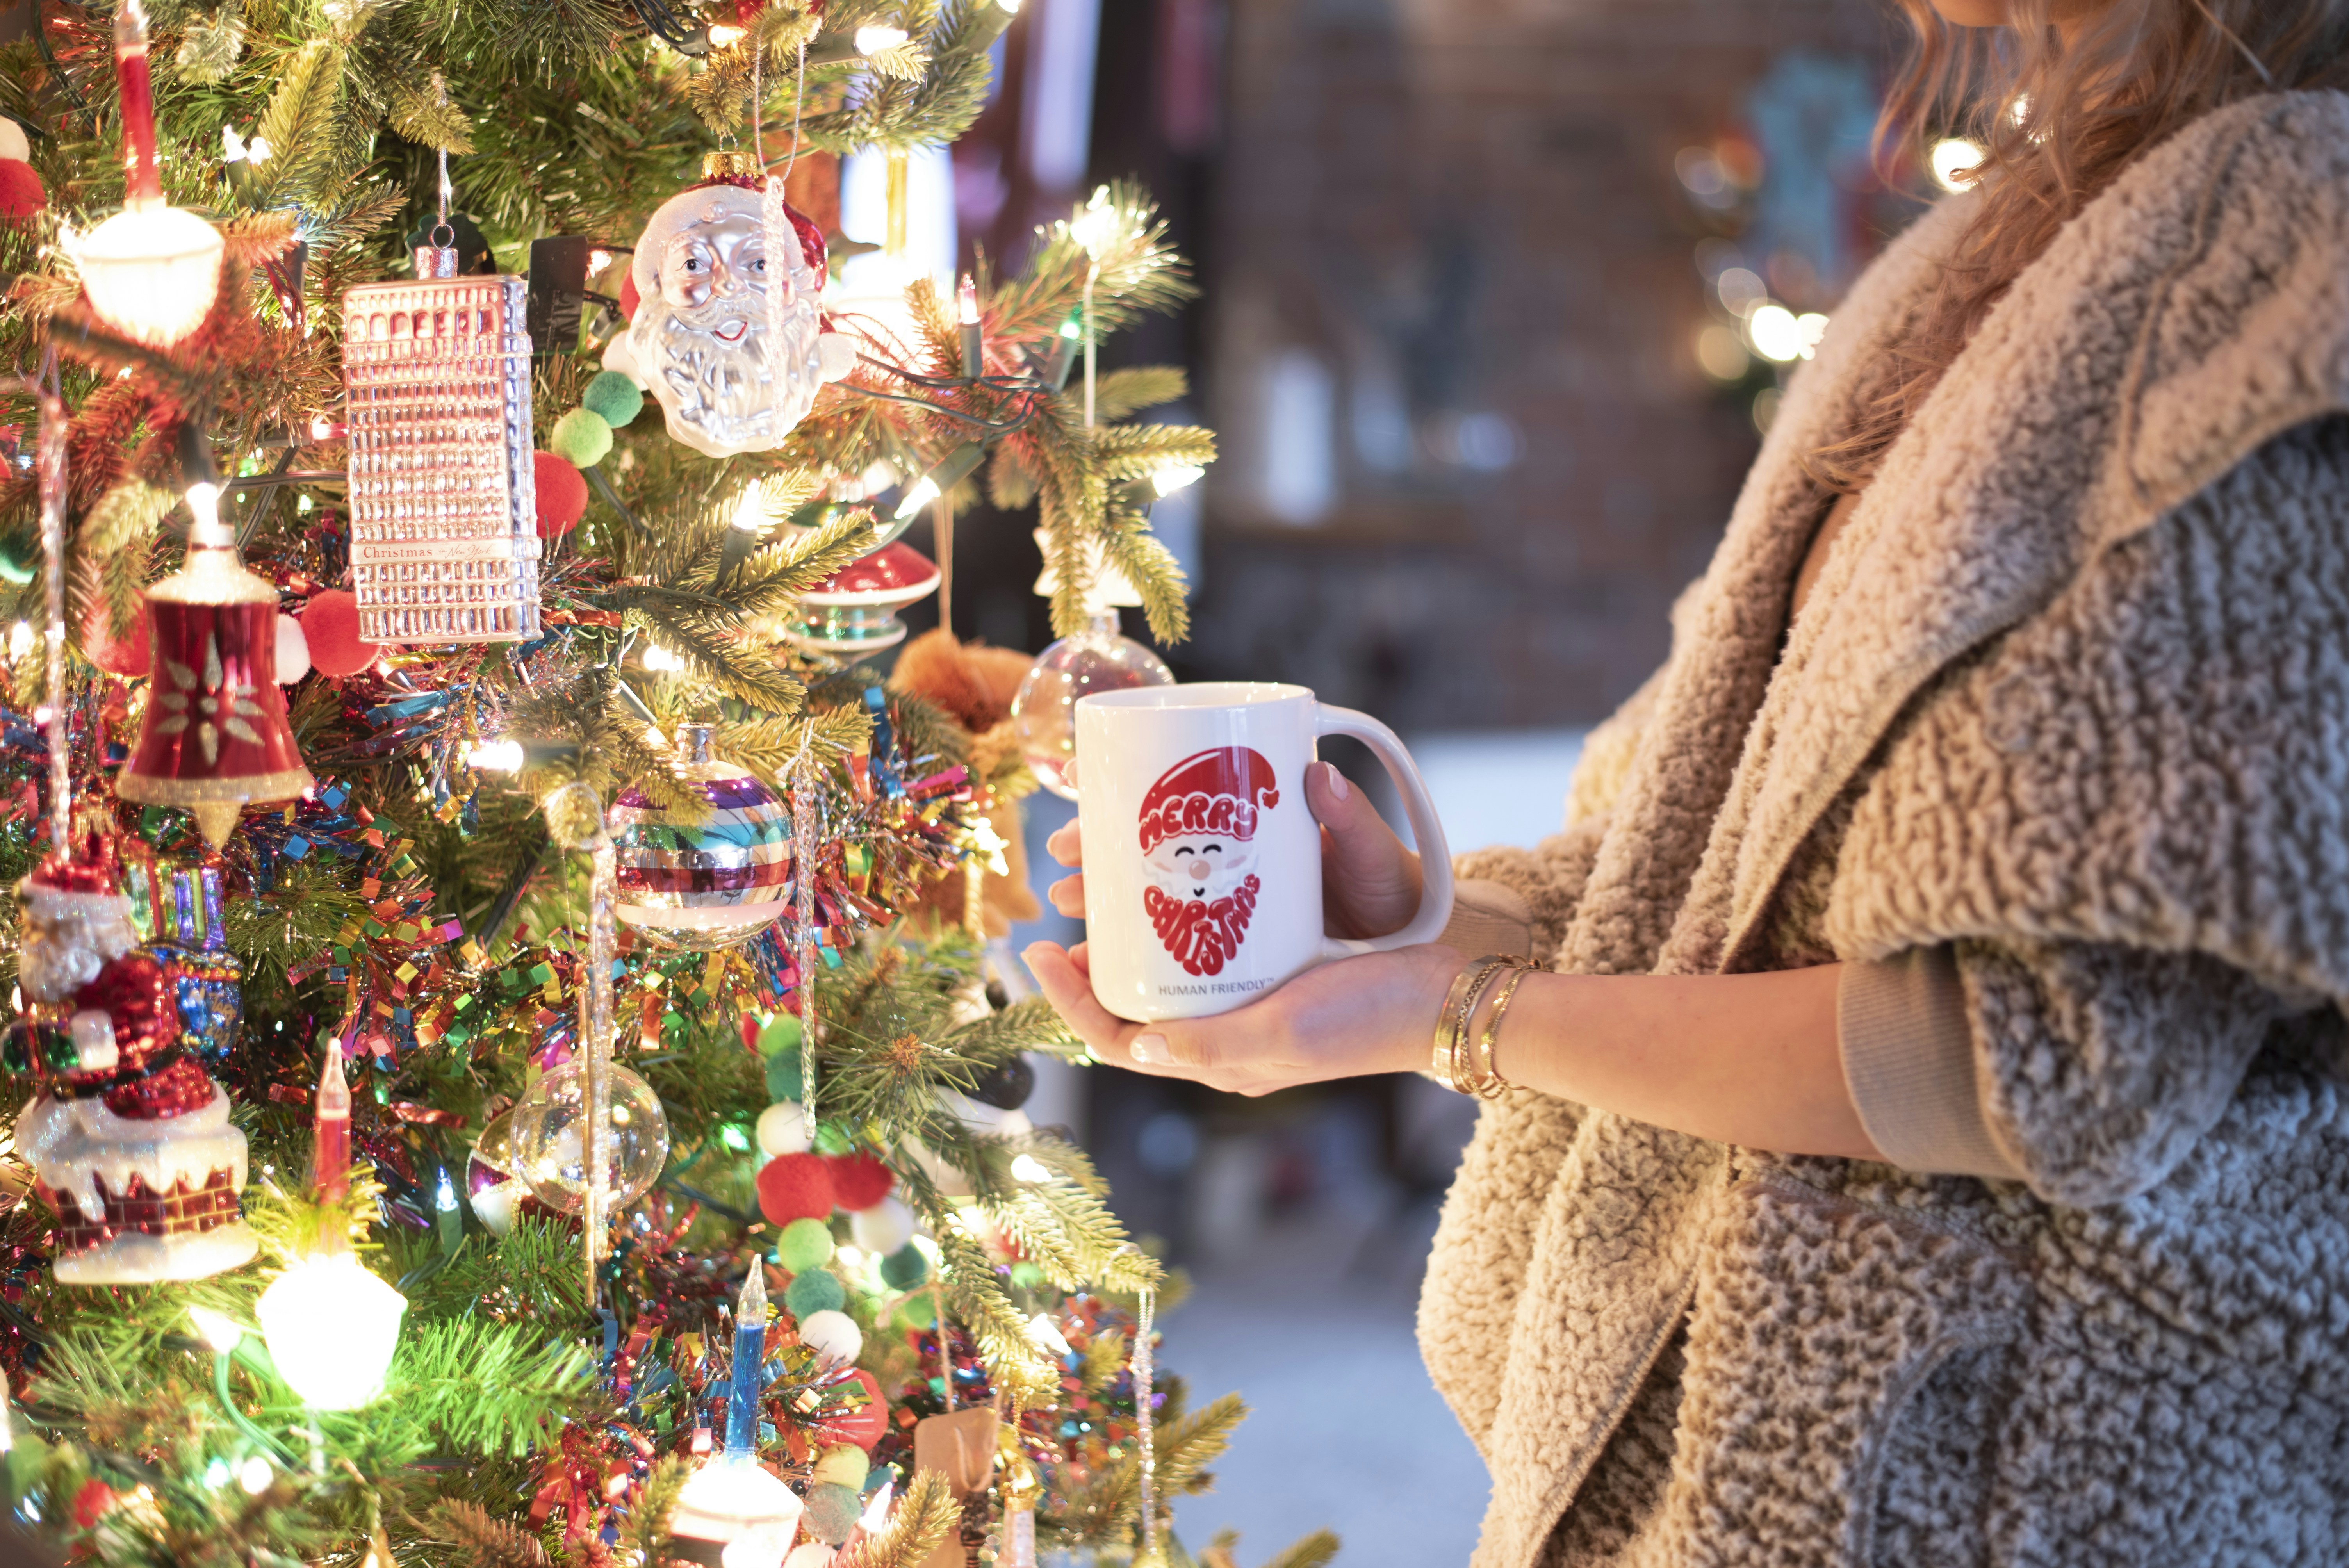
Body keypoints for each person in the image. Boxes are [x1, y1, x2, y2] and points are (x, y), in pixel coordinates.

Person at [1025, 0, 2349, 1560]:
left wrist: (1447, 1018)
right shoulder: (1988, 247)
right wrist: (1424, 934)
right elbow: (1718, 866)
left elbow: (2035, 1048)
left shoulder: (2280, 234)